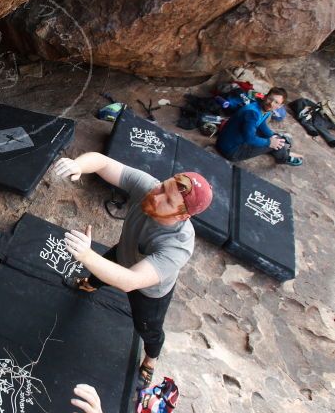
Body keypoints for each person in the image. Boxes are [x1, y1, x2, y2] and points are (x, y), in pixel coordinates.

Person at [54, 153, 212, 389]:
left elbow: (131, 281)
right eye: (163, 186)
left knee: (147, 328)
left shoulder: (178, 244)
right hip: (124, 252)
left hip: (149, 289)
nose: (156, 196)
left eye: (167, 200)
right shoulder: (151, 187)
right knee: (99, 272)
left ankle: (151, 360)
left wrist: (86, 255)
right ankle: (89, 284)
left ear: (183, 216)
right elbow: (103, 162)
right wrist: (79, 165)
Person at [216, 86, 303, 166]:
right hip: (231, 151)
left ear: (280, 106)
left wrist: (272, 135)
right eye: (270, 99)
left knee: (276, 138)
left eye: (276, 102)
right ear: (265, 97)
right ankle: (284, 157)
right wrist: (269, 142)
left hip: (229, 141)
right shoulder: (252, 113)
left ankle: (281, 149)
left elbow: (261, 124)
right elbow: (250, 139)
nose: (271, 104)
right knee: (274, 143)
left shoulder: (264, 107)